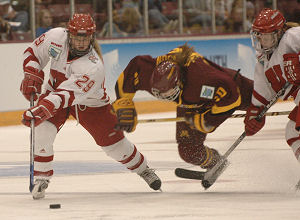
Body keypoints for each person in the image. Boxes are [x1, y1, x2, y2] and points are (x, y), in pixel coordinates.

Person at [20, 13, 161, 200]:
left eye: (85, 38)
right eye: (77, 37)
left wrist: (44, 107)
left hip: (91, 105)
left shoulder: (93, 66)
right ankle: (41, 178)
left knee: (116, 146)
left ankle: (144, 169)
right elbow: (33, 52)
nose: (81, 42)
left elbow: (68, 94)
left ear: (92, 37)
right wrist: (32, 72)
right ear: (69, 34)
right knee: (42, 130)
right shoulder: (55, 37)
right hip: (55, 94)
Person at [113, 43, 253, 174]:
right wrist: (124, 103)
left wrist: (208, 120)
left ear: (179, 82)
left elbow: (232, 96)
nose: (165, 97)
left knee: (262, 99)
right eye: (160, 94)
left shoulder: (201, 79)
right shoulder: (148, 73)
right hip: (190, 102)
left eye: (169, 93)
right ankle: (216, 163)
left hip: (232, 89)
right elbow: (133, 69)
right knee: (188, 151)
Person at [244, 8, 300, 164]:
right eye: (259, 36)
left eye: (266, 37)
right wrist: (254, 116)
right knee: (292, 132)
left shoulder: (293, 37)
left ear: (279, 33)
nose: (262, 41)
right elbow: (260, 100)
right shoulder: (263, 64)